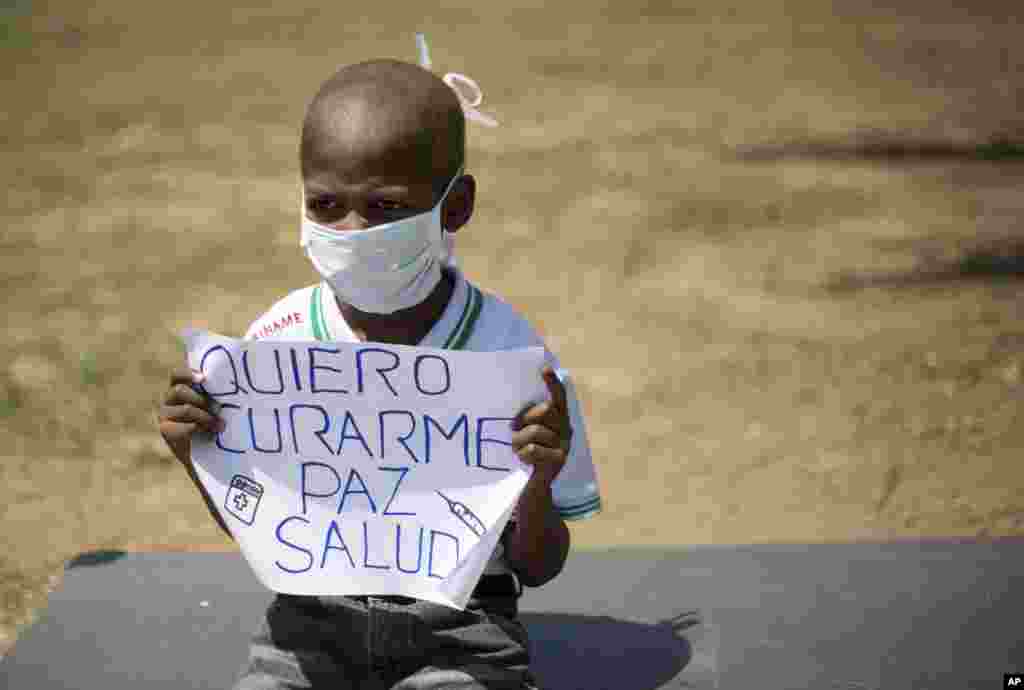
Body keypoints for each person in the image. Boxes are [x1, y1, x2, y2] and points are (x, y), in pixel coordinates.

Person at [157, 56, 602, 690]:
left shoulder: (514, 361)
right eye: (326, 204)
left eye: (386, 206)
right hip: (307, 631)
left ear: (457, 206)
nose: (352, 229)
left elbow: (540, 567)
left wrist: (536, 483)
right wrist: (193, 455)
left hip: (460, 633)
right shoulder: (273, 345)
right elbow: (261, 527)